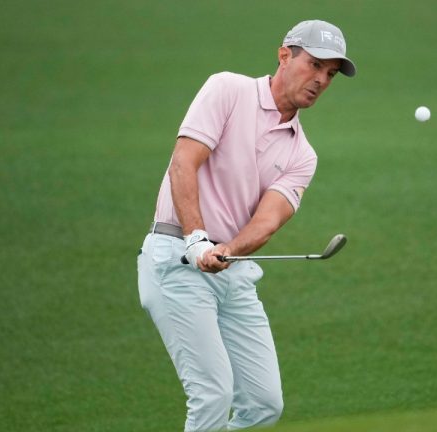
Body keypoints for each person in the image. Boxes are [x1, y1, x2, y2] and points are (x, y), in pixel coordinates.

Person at [137, 20, 356, 431]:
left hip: (230, 273)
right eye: (315, 65)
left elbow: (267, 221)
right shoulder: (227, 89)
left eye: (330, 74)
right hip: (174, 260)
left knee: (264, 404)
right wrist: (197, 239)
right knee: (213, 394)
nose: (321, 80)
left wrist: (228, 251)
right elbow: (184, 162)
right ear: (284, 55)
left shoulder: (302, 155)